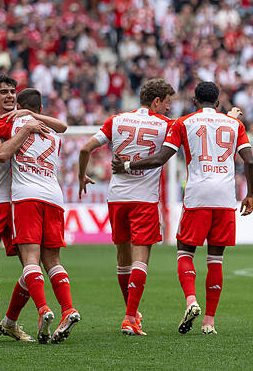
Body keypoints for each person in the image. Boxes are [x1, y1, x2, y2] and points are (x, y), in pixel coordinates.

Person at [111, 81, 253, 335]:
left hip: (197, 195)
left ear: (194, 102)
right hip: (224, 197)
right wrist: (251, 194)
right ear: (219, 103)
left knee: (185, 252)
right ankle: (209, 322)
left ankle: (191, 300)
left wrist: (127, 166)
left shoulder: (183, 123)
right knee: (216, 259)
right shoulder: (236, 125)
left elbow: (160, 159)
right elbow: (250, 162)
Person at [0, 88, 78, 344]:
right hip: (17, 198)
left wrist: (25, 118)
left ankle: (26, 316)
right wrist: (28, 122)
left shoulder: (15, 122)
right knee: (8, 262)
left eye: (12, 93)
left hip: (22, 198)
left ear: (18, 102)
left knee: (30, 262)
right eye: (3, 92)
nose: (8, 97)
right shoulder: (41, 130)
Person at [78, 78, 176, 336]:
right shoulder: (166, 125)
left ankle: (132, 313)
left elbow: (86, 147)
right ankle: (130, 317)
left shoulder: (116, 120)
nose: (168, 108)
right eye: (167, 103)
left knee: (123, 259)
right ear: (156, 101)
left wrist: (81, 176)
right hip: (144, 199)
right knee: (141, 259)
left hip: (117, 197)